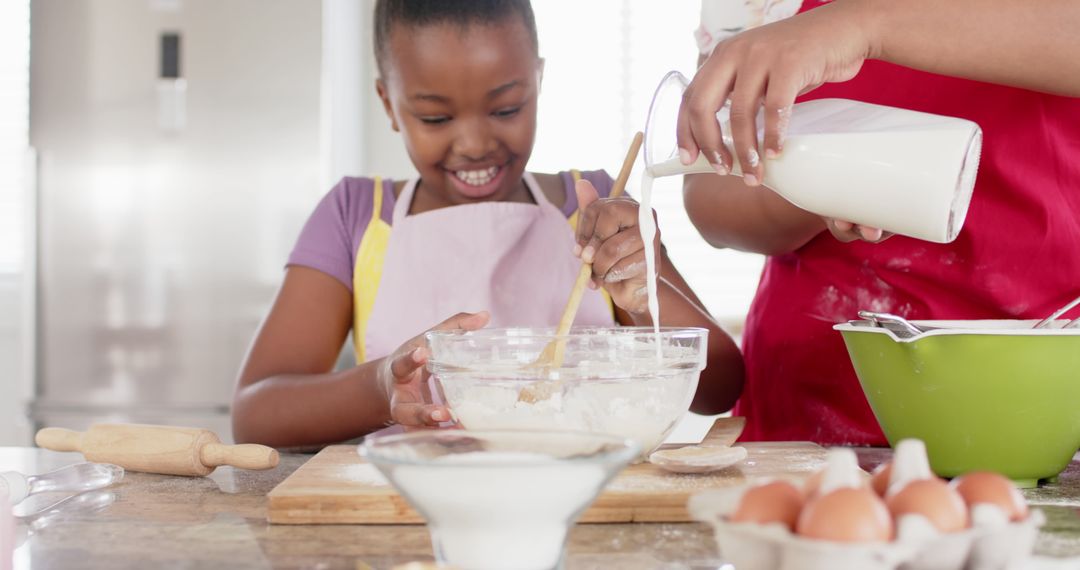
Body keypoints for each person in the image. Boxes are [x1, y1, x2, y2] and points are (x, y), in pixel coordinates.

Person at [232, 0, 744, 448]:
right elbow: (256, 413)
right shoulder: (354, 217)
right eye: (435, 118)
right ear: (389, 103)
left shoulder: (596, 210)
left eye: (506, 108)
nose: (474, 143)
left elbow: (721, 385)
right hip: (408, 526)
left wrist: (642, 288)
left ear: (538, 82)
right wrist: (381, 386)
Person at [678, 0, 1080, 445]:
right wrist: (827, 185)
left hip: (1047, 389)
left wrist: (860, 27)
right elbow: (710, 195)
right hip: (813, 414)